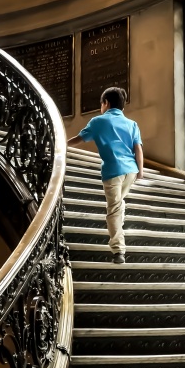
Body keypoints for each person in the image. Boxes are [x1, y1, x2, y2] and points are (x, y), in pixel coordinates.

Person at [67, 87, 144, 265]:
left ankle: (118, 251)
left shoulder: (98, 121)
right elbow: (138, 149)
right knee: (119, 204)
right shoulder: (132, 124)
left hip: (113, 171)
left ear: (106, 103)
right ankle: (119, 232)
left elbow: (79, 138)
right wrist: (140, 171)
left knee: (114, 210)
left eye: (101, 104)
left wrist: (61, 146)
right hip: (131, 171)